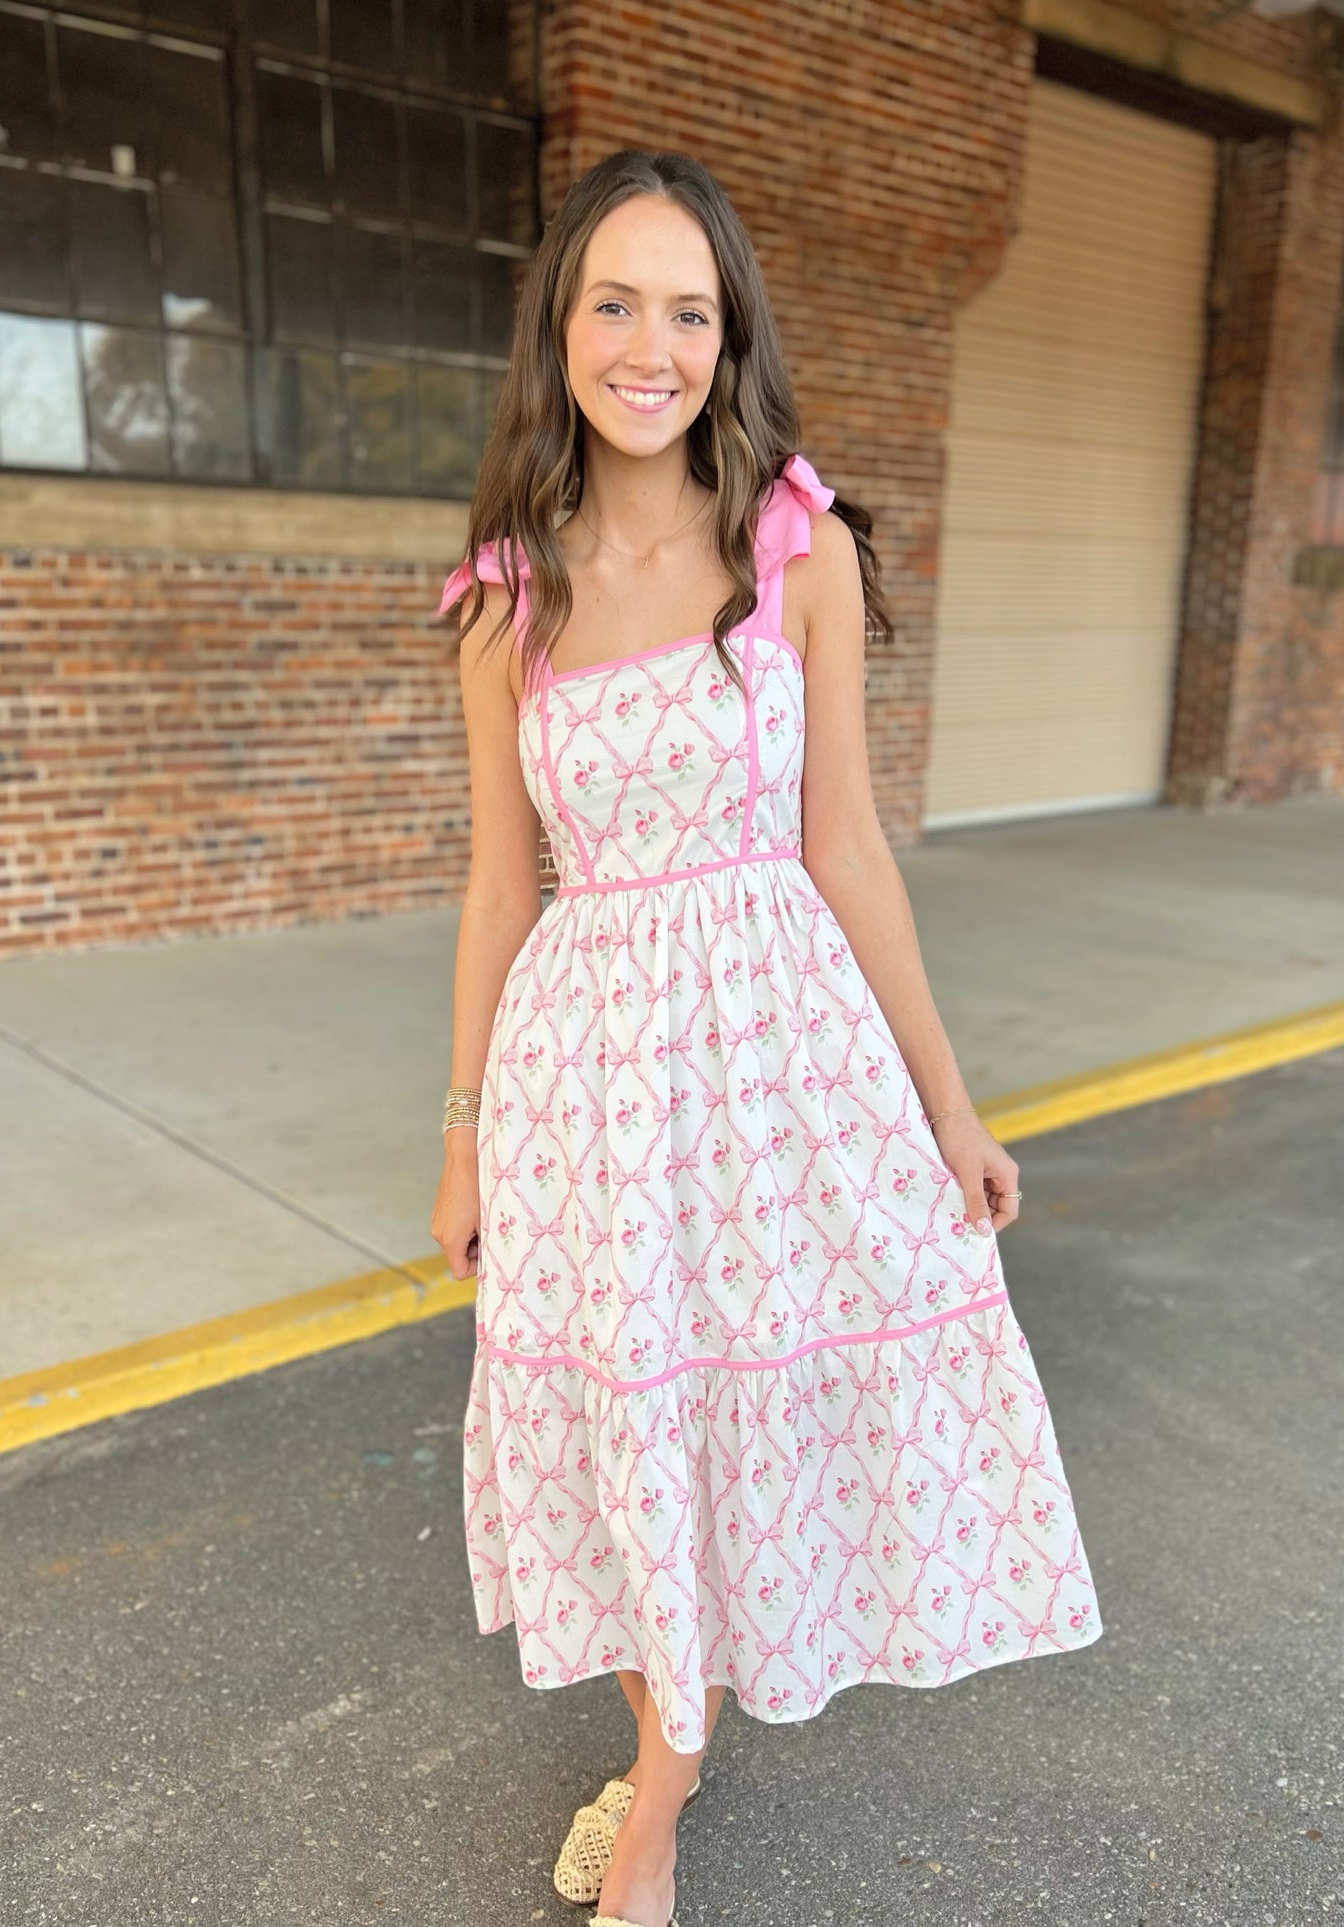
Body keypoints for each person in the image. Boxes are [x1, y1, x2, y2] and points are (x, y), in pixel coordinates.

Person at [431, 147, 1103, 1927]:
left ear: (726, 340)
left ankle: (652, 1804)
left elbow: (847, 844)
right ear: (560, 329)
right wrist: (455, 1133)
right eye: (613, 303)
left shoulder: (790, 540)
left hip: (775, 1065)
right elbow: (501, 893)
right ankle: (668, 1747)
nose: (648, 345)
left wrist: (947, 1106)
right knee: (637, 1440)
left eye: (688, 310)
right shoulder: (506, 597)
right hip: (587, 1086)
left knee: (751, 1423)